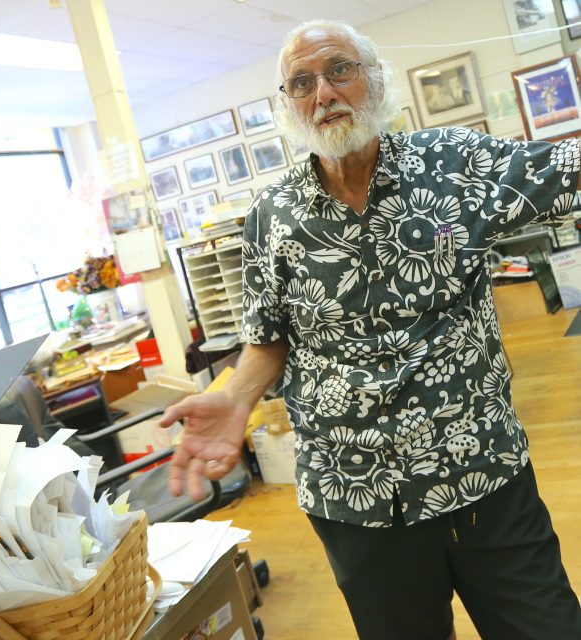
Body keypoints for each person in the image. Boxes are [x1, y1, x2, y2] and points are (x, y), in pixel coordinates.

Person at [160, 18, 581, 640]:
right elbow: (268, 337)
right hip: (354, 497)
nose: (323, 93)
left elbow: (570, 169)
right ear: (290, 105)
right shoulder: (270, 219)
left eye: (339, 70)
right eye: (302, 82)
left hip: (482, 473)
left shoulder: (456, 166)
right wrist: (235, 396)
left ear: (375, 80)